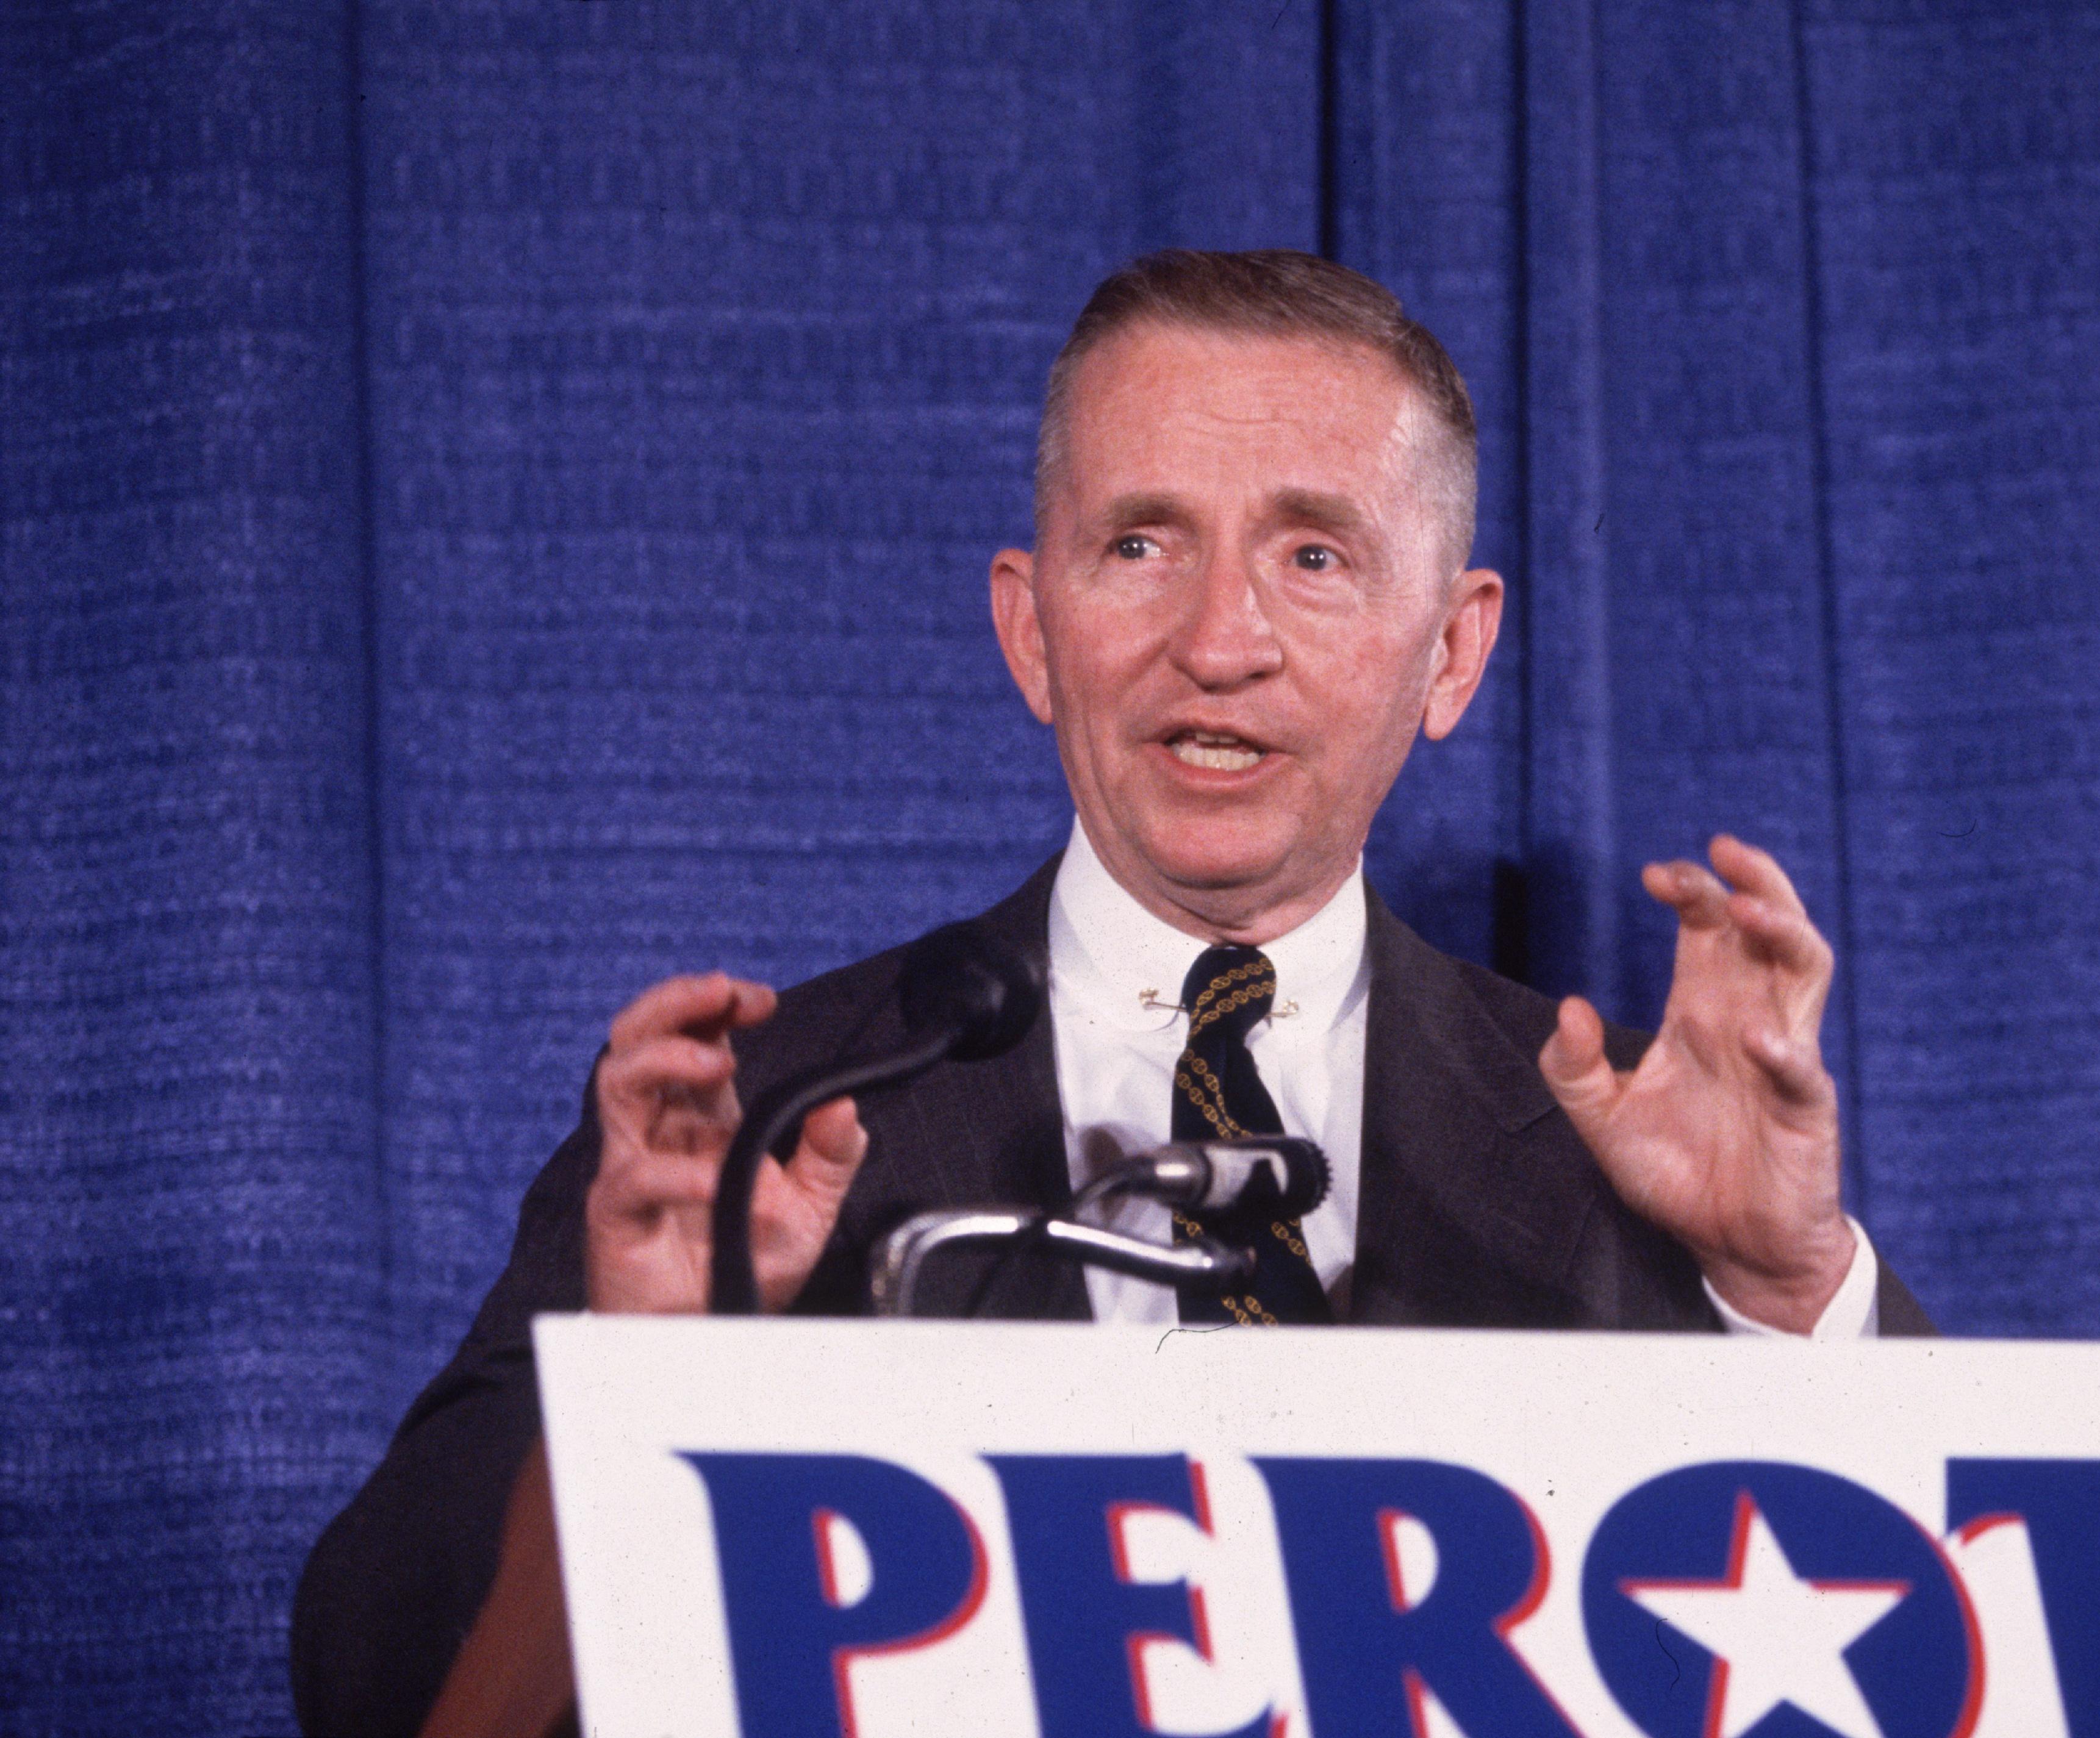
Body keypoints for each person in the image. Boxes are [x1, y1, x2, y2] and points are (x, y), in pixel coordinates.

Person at [291, 249, 1929, 1736]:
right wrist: (643, 1384)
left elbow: (1936, 1659)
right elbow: (375, 1688)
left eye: (1313, 553)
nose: (1219, 639)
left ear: (1452, 652)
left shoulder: (1641, 1147)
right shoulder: (764, 1116)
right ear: (1030, 629)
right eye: (1141, 542)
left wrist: (1787, 1295)